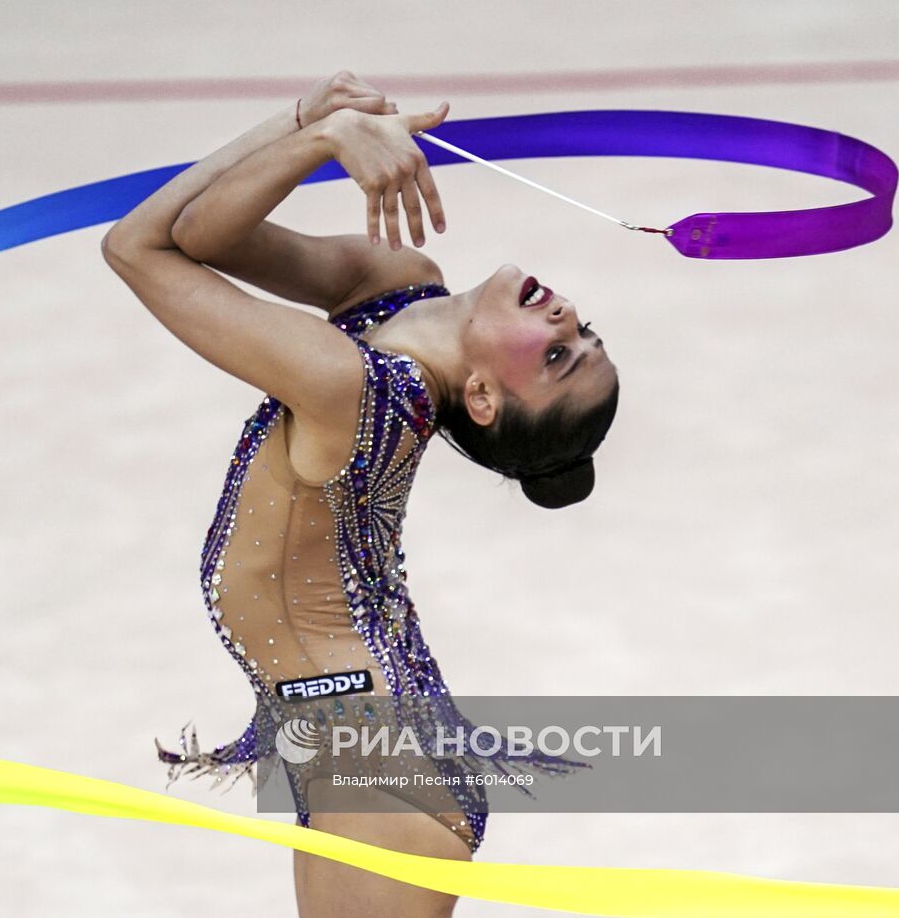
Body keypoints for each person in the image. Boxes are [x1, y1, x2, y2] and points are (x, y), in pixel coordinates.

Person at [101, 71, 619, 918]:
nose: (566, 319)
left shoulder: (351, 389)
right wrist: (308, 121)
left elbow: (135, 247)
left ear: (483, 399)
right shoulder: (399, 285)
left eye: (557, 358)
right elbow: (203, 231)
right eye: (583, 333)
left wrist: (315, 142)